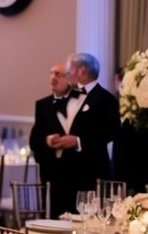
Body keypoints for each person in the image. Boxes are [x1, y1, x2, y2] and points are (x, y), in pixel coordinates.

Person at [48, 52, 120, 211]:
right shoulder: (67, 96)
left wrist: (78, 140)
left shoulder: (105, 99)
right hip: (66, 172)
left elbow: (111, 132)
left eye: (70, 69)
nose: (67, 73)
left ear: (81, 70)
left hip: (90, 171)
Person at [29, 62, 77, 218]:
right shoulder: (42, 105)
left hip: (75, 172)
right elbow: (34, 139)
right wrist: (48, 140)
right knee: (51, 216)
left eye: (58, 74)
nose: (52, 78)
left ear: (69, 78)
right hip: (51, 173)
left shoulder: (79, 102)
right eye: (51, 73)